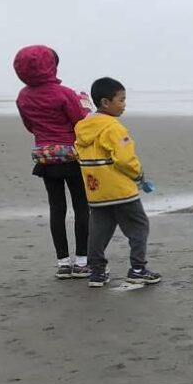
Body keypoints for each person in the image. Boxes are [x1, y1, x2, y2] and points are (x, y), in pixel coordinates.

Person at [13, 45, 92, 279]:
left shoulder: (23, 96)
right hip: (71, 156)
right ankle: (81, 262)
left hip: (46, 157)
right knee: (81, 207)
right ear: (51, 65)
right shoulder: (64, 93)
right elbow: (80, 122)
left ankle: (62, 263)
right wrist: (86, 106)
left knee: (56, 208)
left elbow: (30, 126)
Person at [74, 77, 161, 288]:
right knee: (139, 227)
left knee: (99, 231)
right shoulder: (114, 128)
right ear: (105, 102)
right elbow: (124, 159)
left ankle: (97, 272)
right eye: (121, 100)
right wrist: (139, 175)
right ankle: (138, 269)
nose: (124, 104)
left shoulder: (82, 127)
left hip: (96, 189)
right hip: (120, 190)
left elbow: (77, 153)